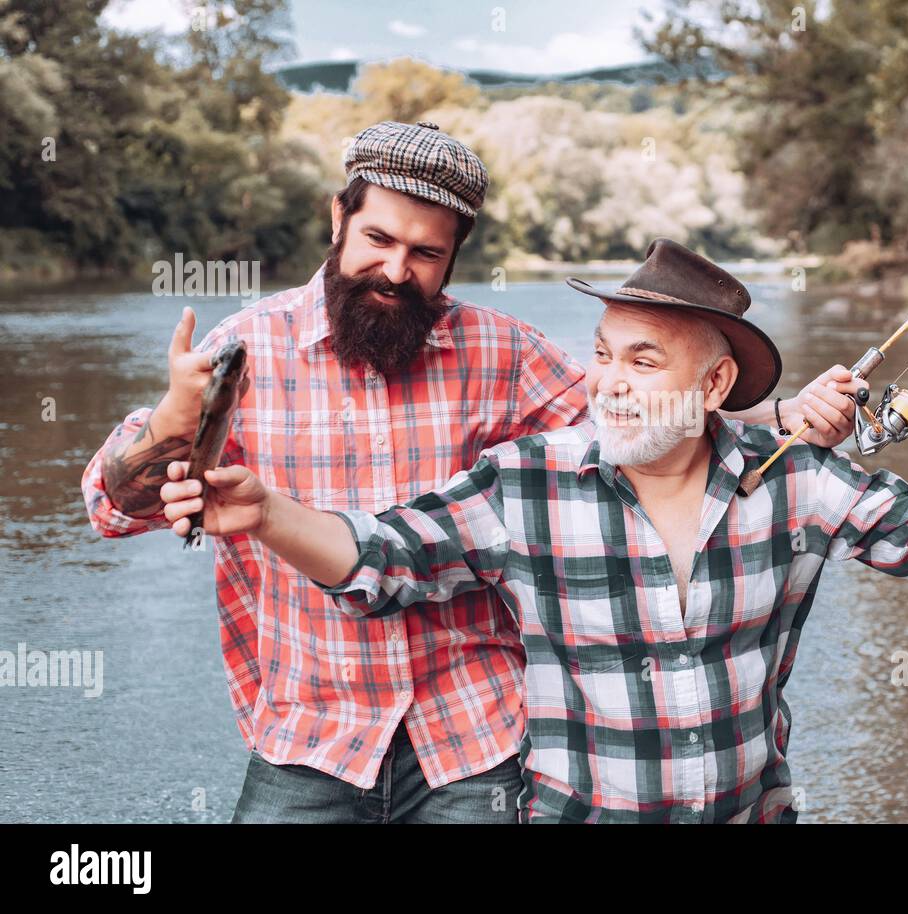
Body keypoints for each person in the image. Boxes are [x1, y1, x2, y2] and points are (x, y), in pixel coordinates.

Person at [156, 239, 908, 823]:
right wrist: (268, 515)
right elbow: (379, 555)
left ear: (715, 384)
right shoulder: (527, 485)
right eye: (601, 354)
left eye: (643, 359)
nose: (606, 380)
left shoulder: (794, 481)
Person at [80, 122, 862, 823]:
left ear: (455, 256)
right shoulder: (245, 345)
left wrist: (785, 419)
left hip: (473, 736)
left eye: (425, 254)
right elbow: (112, 508)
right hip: (307, 735)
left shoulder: (502, 350)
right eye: (377, 239)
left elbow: (641, 432)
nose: (394, 269)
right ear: (336, 219)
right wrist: (174, 422)